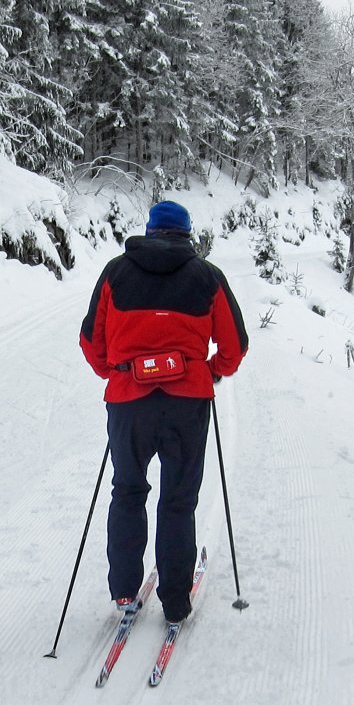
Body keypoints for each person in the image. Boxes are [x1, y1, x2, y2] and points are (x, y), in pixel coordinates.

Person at [79, 200, 249, 624]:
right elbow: (236, 345)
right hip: (186, 405)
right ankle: (175, 601)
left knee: (128, 492)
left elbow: (90, 340)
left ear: (151, 231)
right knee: (177, 500)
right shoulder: (207, 277)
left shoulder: (116, 273)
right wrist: (210, 372)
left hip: (128, 403)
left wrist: (114, 372)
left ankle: (123, 592)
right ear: (187, 234)